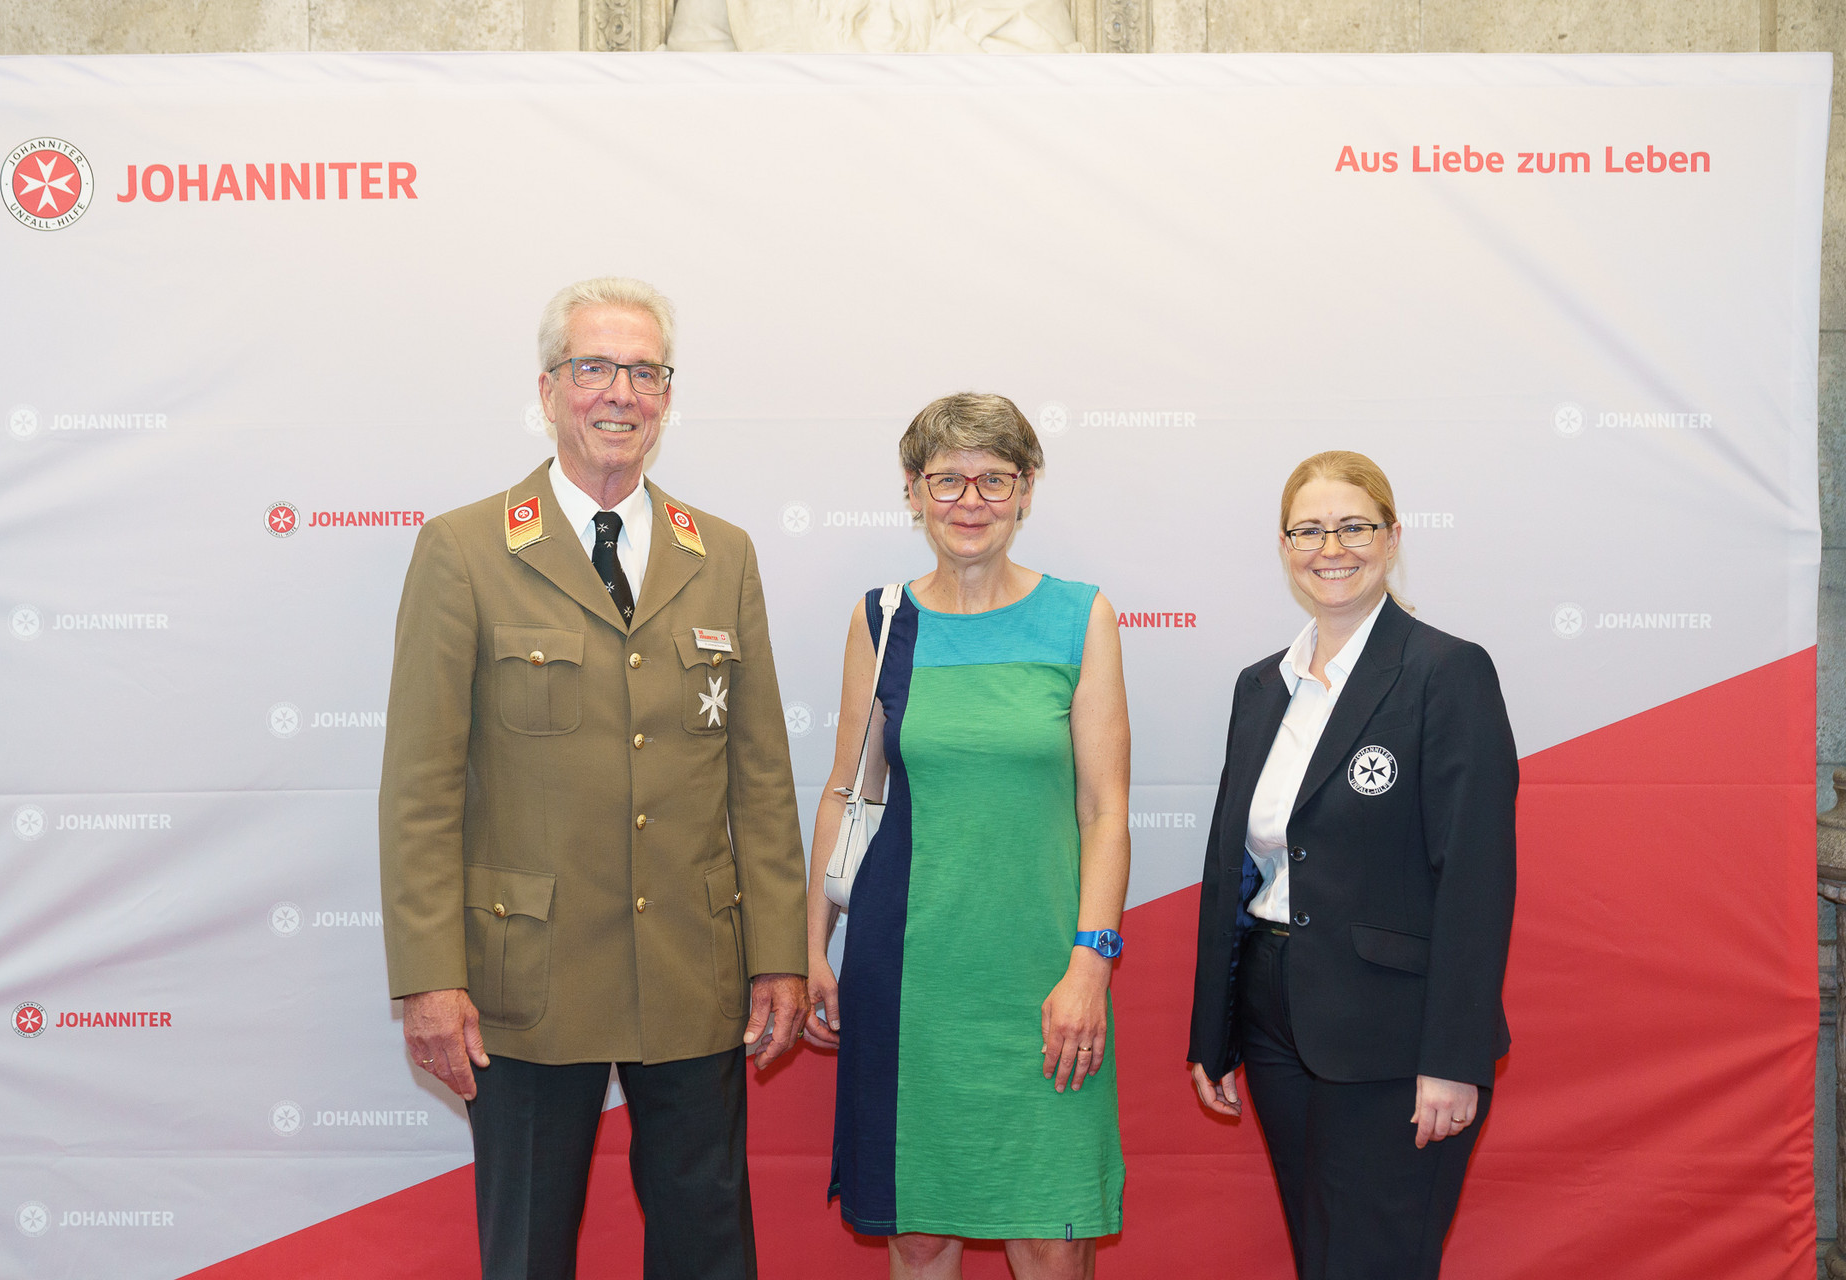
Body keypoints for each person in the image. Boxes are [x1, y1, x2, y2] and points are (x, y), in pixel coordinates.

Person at [377, 276, 809, 1280]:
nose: (620, 392)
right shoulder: (466, 549)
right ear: (549, 387)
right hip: (528, 978)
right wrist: (430, 976)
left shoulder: (724, 554)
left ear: (667, 393)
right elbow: (422, 787)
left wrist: (779, 951)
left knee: (708, 1244)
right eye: (595, 368)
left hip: (691, 969)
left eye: (644, 371)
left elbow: (759, 774)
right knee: (527, 1249)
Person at [801, 393, 1129, 1280]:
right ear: (913, 493)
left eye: (995, 477)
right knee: (919, 1236)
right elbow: (847, 791)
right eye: (947, 479)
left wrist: (1090, 964)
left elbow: (1105, 812)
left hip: (1045, 982)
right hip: (908, 978)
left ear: (1026, 492)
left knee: (1052, 1238)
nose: (970, 499)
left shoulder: (1080, 616)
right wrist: (812, 950)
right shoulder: (882, 621)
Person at [1187, 450, 1517, 1280]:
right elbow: (1234, 866)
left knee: (1374, 1261)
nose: (1330, 547)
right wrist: (1213, 1030)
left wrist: (1453, 1057)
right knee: (1320, 1256)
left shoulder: (1446, 672)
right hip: (1274, 1018)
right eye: (1309, 529)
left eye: (1354, 526)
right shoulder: (1261, 686)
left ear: (1393, 536)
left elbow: (1476, 882)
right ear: (1285, 545)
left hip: (1394, 1033)